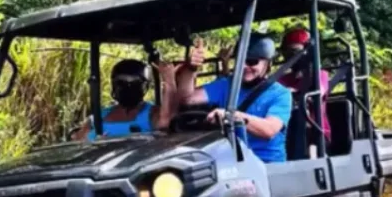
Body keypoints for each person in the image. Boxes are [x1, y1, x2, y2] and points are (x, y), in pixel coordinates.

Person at [162, 34, 293, 163]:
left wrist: (230, 116)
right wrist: (191, 69)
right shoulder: (227, 84)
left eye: (252, 61)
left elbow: (269, 130)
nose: (244, 67)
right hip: (233, 162)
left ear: (268, 64)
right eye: (240, 61)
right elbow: (187, 99)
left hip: (268, 165)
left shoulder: (280, 94)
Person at [72, 59, 197, 141]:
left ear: (144, 87)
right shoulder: (99, 117)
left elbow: (166, 121)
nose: (127, 87)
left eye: (134, 83)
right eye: (121, 83)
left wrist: (169, 81)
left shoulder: (151, 113)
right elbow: (77, 142)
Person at [277, 28, 332, 143]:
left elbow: (318, 91)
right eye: (286, 52)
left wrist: (291, 93)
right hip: (285, 130)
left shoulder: (320, 75)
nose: (290, 56)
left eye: (295, 52)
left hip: (315, 132)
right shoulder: (281, 79)